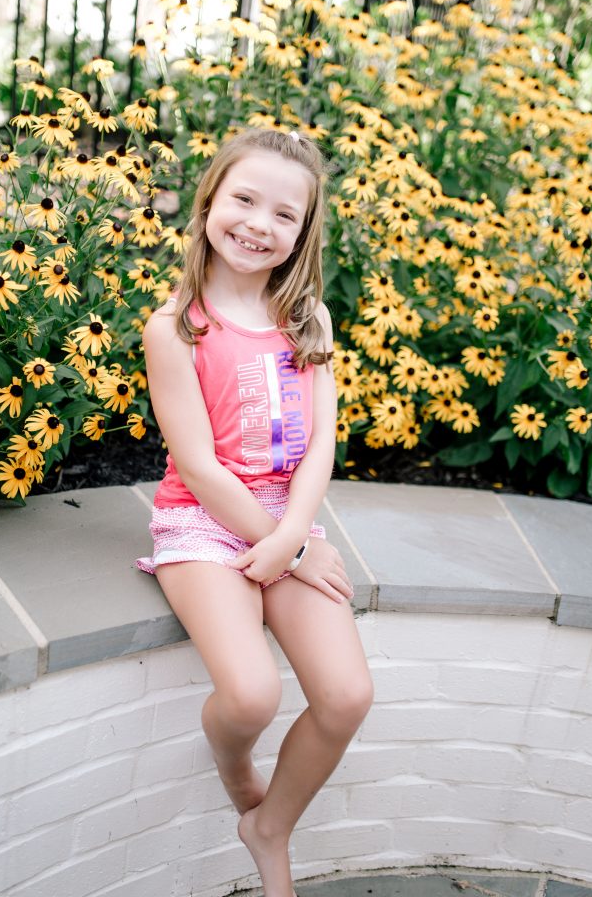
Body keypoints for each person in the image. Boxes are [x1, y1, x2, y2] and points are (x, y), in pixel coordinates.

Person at [137, 127, 374, 897]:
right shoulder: (175, 328)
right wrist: (290, 549)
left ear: (302, 232)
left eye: (283, 214)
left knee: (344, 697)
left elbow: (319, 450)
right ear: (210, 200)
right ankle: (235, 763)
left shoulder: (308, 319)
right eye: (243, 199)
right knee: (250, 695)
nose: (257, 224)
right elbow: (200, 468)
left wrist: (294, 539)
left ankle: (268, 826)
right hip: (205, 523)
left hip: (286, 517)